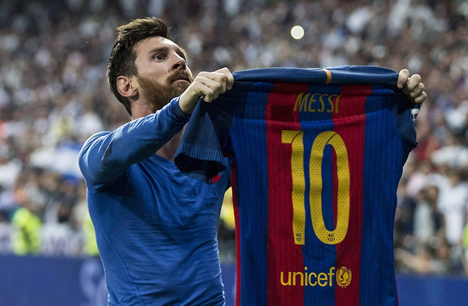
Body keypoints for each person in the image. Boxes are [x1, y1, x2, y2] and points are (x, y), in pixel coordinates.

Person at [78, 17, 426, 305]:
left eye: (179, 54)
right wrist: (182, 108)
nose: (179, 61)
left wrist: (388, 106)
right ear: (127, 86)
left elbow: (310, 135)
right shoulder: (102, 157)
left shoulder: (214, 154)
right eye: (159, 57)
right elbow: (127, 143)